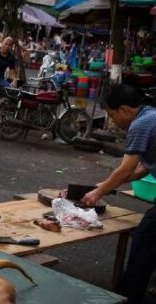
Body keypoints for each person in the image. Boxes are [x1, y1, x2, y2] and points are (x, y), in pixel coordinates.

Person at [81, 85, 156, 303]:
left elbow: (125, 168)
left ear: (124, 109)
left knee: (145, 239)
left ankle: (127, 297)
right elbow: (144, 168)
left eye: (112, 115)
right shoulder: (151, 116)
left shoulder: (141, 124)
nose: (113, 121)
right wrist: (106, 185)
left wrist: (98, 192)